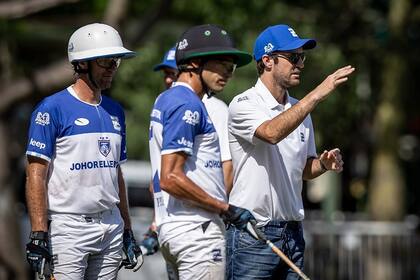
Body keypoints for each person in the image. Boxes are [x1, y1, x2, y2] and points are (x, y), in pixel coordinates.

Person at [226, 24, 355, 279]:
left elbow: (304, 169)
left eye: (302, 58)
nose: (301, 65)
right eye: (293, 58)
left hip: (293, 233)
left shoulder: (300, 110)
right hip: (254, 233)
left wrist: (323, 164)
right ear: (267, 60)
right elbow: (272, 133)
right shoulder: (243, 103)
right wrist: (317, 94)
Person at [25, 23, 143, 279]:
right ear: (81, 64)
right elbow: (36, 174)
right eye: (106, 61)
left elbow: (116, 174)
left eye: (116, 61)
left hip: (110, 226)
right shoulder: (51, 108)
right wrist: (38, 233)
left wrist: (127, 229)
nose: (113, 67)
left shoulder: (115, 111)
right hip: (68, 228)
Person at [148, 24, 254, 279]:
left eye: (232, 67)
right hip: (197, 231)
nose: (228, 73)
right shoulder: (187, 104)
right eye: (221, 64)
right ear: (194, 63)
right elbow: (170, 177)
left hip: (176, 230)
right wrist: (222, 207)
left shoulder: (166, 98)